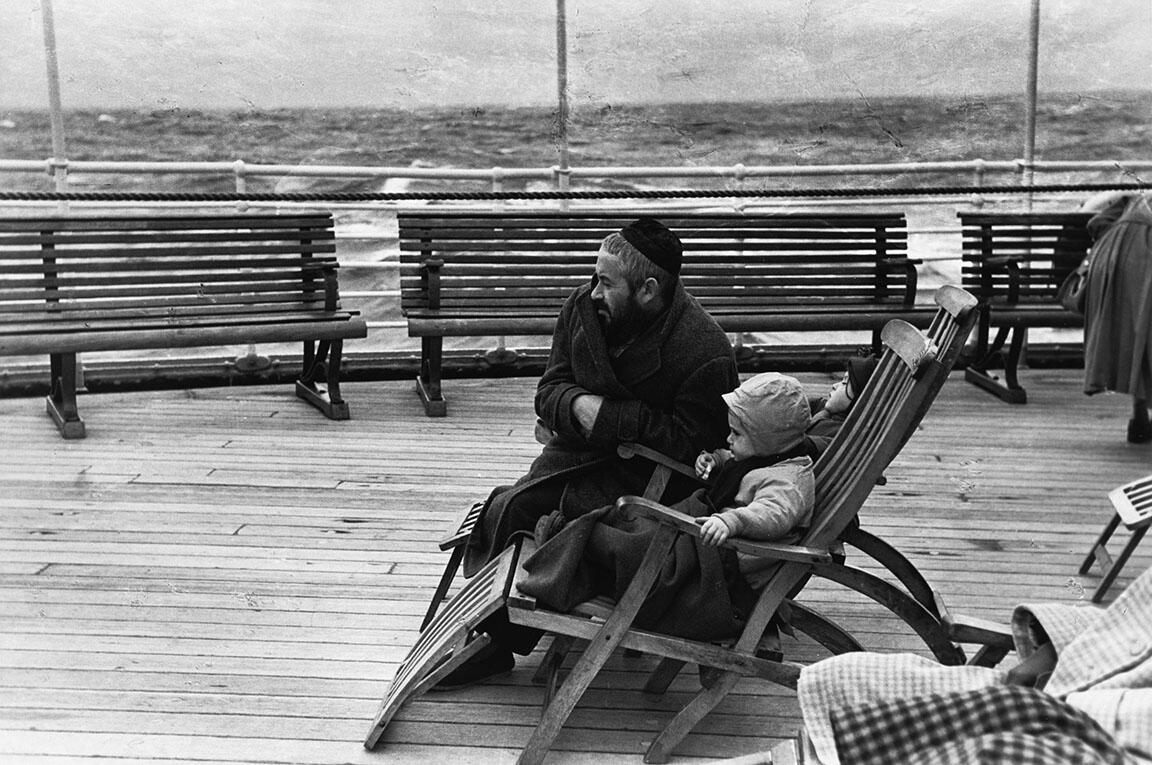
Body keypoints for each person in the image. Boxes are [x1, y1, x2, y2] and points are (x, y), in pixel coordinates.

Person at [439, 217, 738, 687]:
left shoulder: (704, 350)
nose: (593, 290)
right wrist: (577, 405)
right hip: (574, 453)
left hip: (648, 482)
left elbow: (700, 449)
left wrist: (613, 418)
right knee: (508, 505)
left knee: (527, 510)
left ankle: (500, 643)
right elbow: (549, 390)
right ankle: (494, 634)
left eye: (605, 282)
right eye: (594, 276)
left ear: (648, 290)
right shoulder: (583, 308)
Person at [517, 372, 815, 641]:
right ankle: (571, 548)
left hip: (715, 567)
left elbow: (772, 514)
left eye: (737, 434)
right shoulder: (770, 455)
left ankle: (567, 554)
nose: (728, 438)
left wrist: (732, 522)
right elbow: (741, 461)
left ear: (767, 439)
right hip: (701, 532)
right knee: (629, 526)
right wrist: (716, 459)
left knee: (629, 546)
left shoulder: (788, 482)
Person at [797, 564, 1152, 764]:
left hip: (1113, 742)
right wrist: (1052, 648)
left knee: (991, 752)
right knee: (858, 679)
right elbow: (1130, 620)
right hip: (1075, 684)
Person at [1079, 191, 1152, 444]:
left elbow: (1094, 223)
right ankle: (1141, 416)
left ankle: (1138, 415)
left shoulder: (1134, 198)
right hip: (1144, 261)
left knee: (1138, 336)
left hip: (1113, 263)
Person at [802, 354, 878, 460]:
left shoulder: (845, 436)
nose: (835, 385)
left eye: (844, 382)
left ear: (861, 397)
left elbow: (807, 446)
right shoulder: (831, 413)